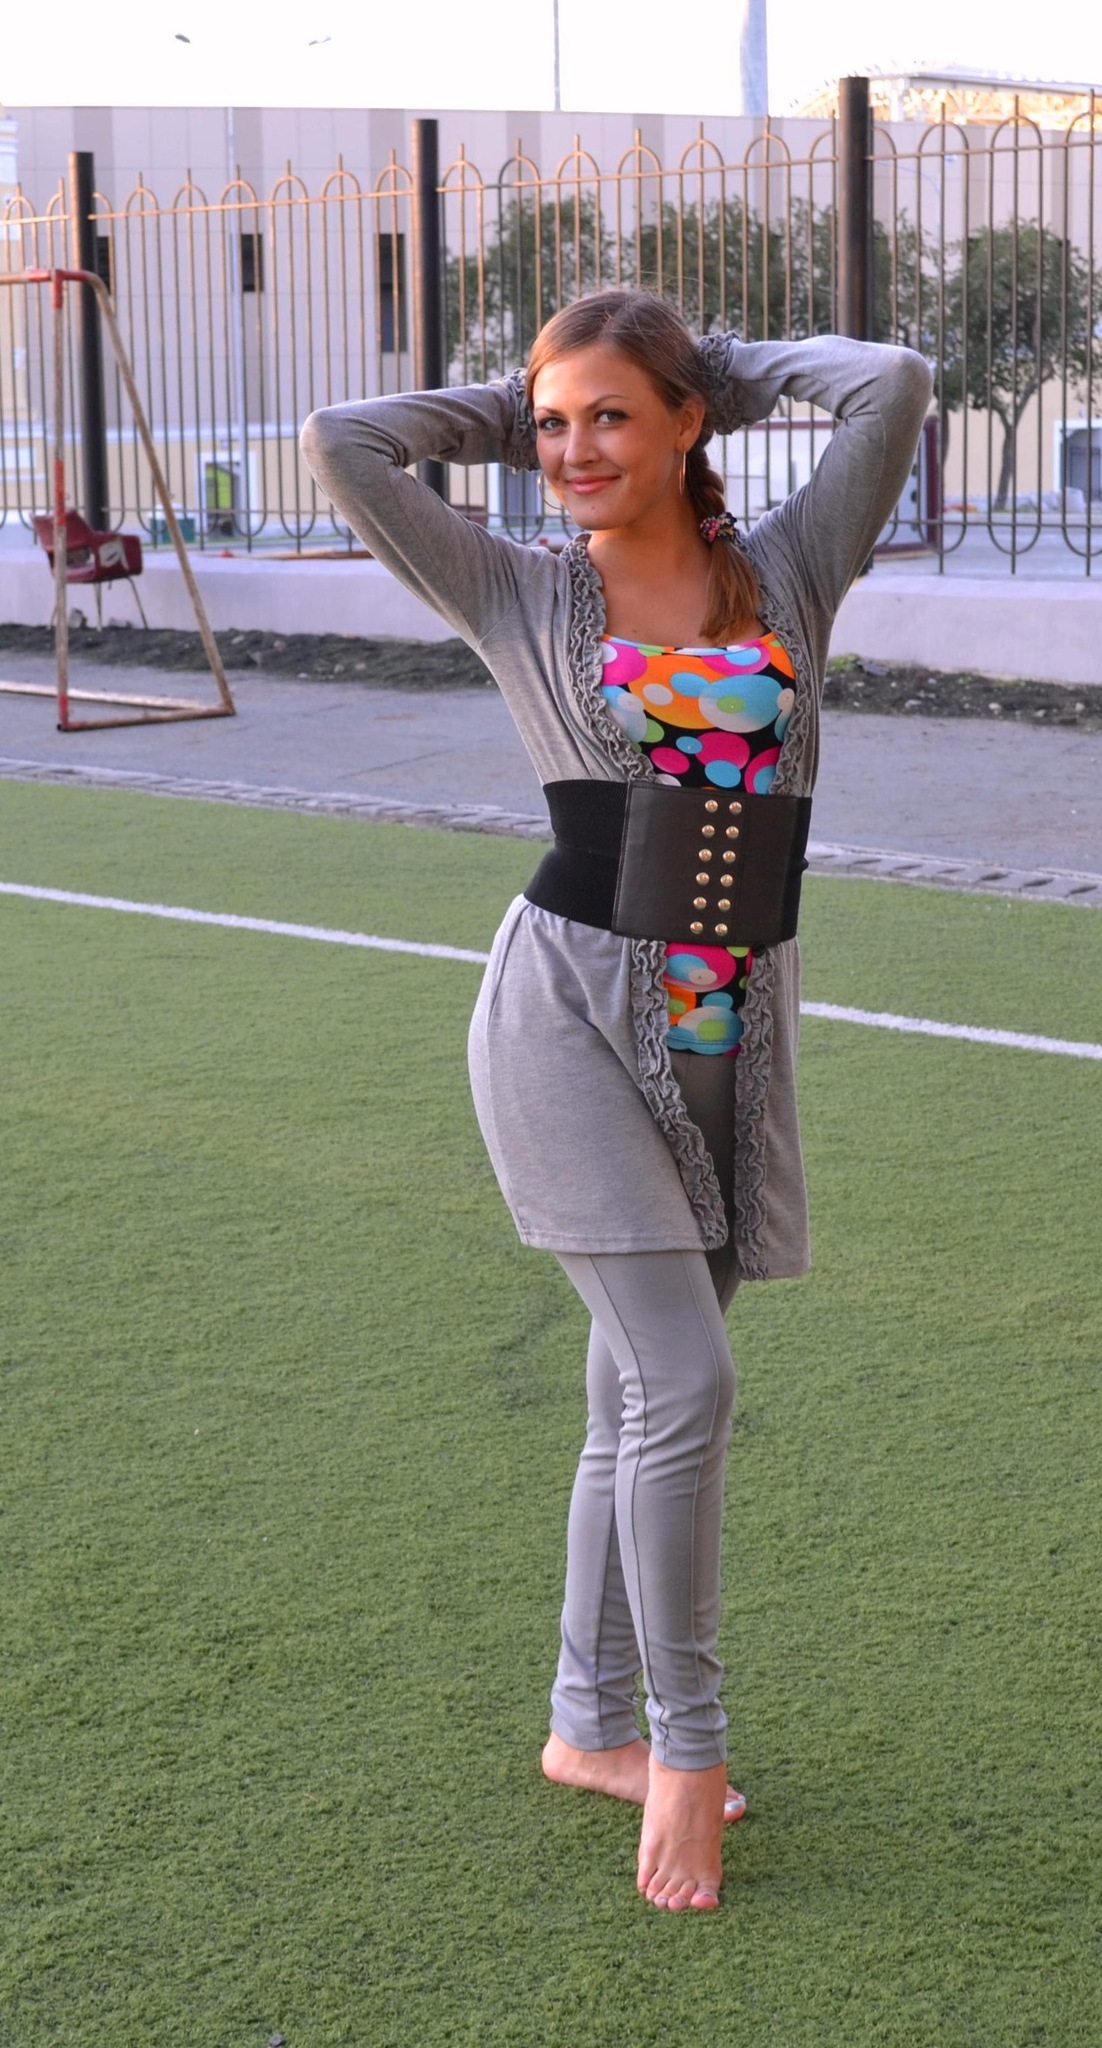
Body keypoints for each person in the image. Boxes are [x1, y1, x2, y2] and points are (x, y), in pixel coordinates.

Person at [300, 289, 932, 1913]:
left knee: (633, 1403)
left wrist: (702, 369)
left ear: (684, 421)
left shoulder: (788, 568)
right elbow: (347, 441)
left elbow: (890, 381)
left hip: (730, 1025)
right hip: (565, 1013)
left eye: (609, 418)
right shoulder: (515, 586)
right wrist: (528, 399)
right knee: (685, 1384)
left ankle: (585, 1729)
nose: (572, 451)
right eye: (550, 425)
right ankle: (683, 1750)